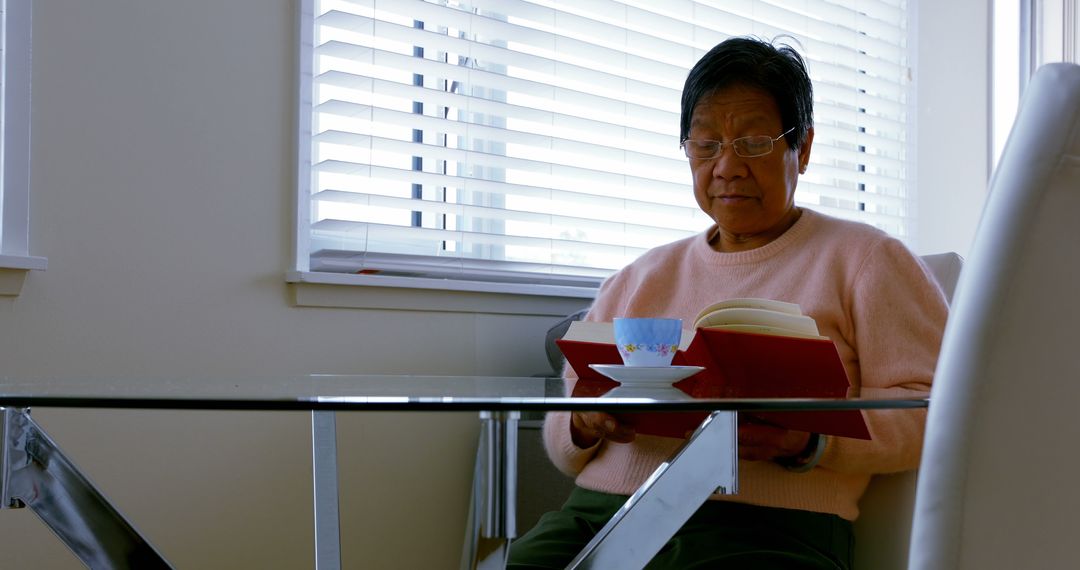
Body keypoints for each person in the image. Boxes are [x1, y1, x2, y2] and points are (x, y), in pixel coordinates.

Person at [507, 36, 948, 569]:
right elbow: (564, 433)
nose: (727, 166)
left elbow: (934, 409)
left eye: (755, 143)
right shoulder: (638, 276)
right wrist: (586, 423)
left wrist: (810, 441)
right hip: (603, 512)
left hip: (768, 527)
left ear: (802, 148)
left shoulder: (868, 259)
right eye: (707, 144)